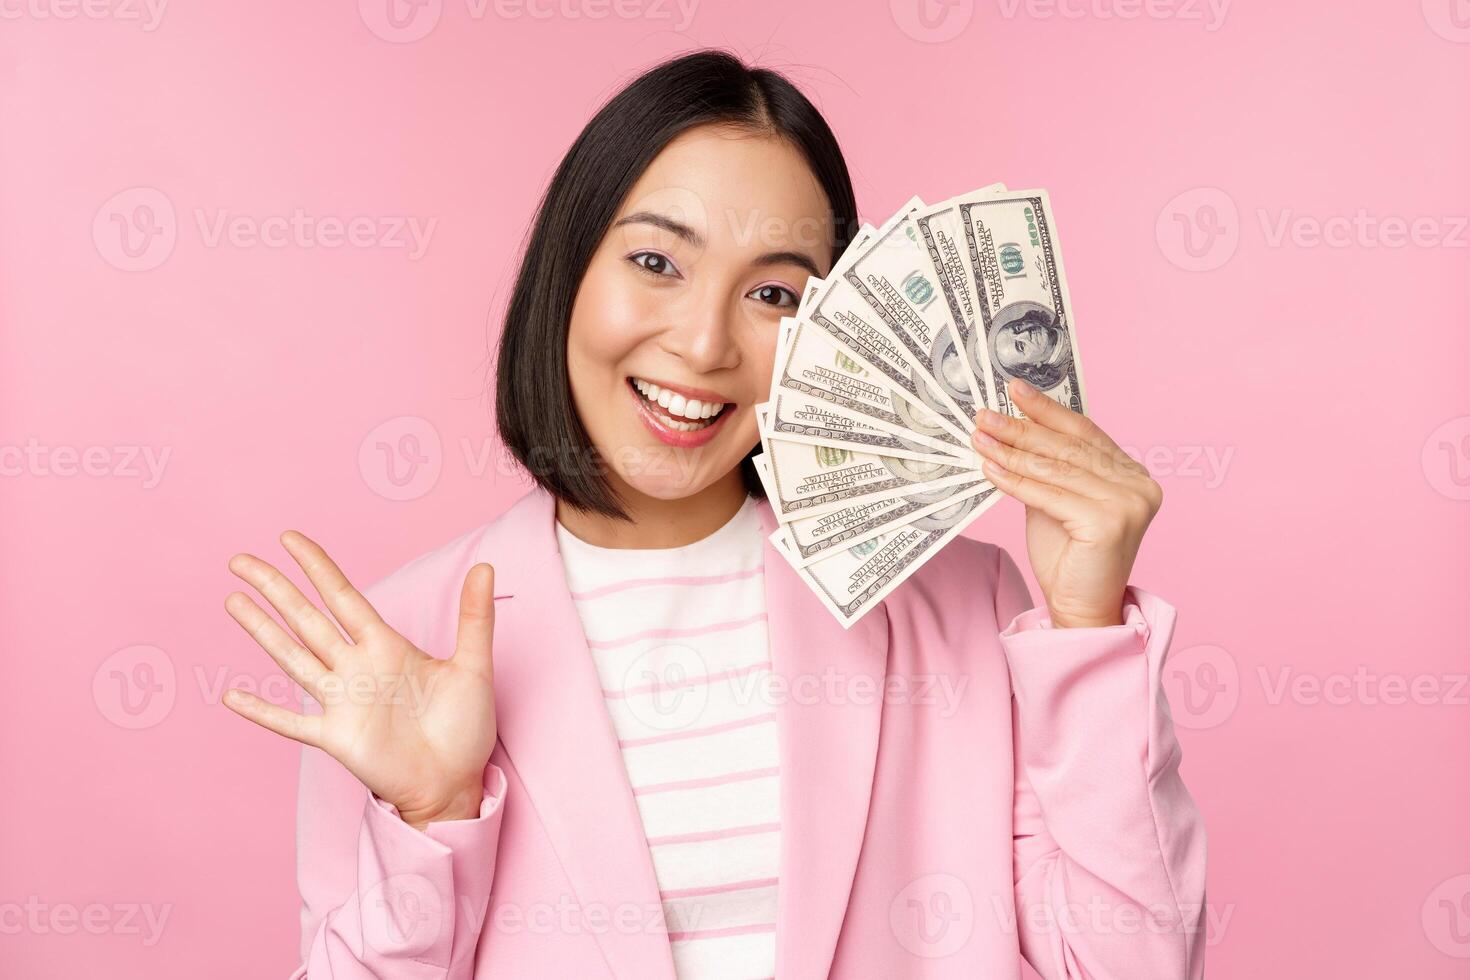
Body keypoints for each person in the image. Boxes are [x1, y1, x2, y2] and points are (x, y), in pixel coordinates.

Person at [221, 48, 1207, 980]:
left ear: (839, 331)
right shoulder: (400, 644)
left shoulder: (962, 606)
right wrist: (430, 817)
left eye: (773, 291)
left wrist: (1085, 631)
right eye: (657, 262)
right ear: (567, 274)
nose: (701, 344)